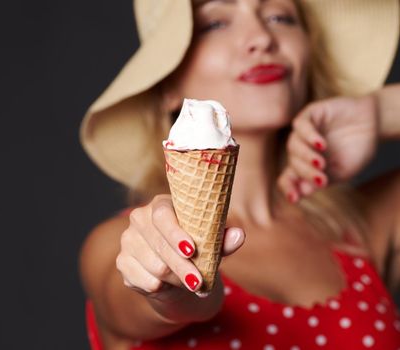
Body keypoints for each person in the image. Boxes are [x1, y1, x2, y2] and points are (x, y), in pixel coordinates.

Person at [79, 0, 400, 348]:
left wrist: (379, 112)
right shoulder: (120, 243)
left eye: (280, 17)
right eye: (216, 23)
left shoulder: (362, 228)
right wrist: (171, 286)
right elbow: (156, 301)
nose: (262, 38)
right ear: (166, 84)